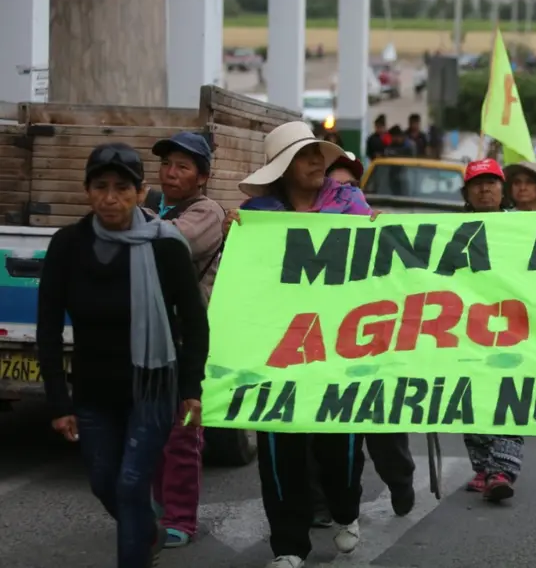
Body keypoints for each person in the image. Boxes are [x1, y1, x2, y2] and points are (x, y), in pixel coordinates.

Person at [37, 143, 209, 568]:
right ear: (87, 190)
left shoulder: (165, 246)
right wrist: (59, 401)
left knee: (132, 483)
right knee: (103, 483)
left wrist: (191, 389)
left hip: (152, 388)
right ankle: (145, 531)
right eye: (100, 187)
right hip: (94, 388)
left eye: (121, 188)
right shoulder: (68, 245)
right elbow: (48, 328)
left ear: (140, 192)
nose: (110, 198)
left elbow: (194, 321)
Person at [223, 122, 378, 568]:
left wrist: (378, 232)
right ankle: (288, 546)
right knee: (279, 452)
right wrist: (240, 235)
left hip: (339, 348)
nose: (316, 162)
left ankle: (346, 510)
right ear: (282, 168)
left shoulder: (350, 204)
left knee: (340, 447)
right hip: (279, 351)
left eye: (318, 154)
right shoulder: (258, 214)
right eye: (305, 155)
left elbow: (373, 268)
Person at [145, 132, 226, 549]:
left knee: (182, 434)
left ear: (202, 177)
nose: (171, 173)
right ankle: (160, 504)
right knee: (149, 427)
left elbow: (175, 242)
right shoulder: (155, 210)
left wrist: (133, 220)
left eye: (183, 166)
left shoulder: (206, 211)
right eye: (166, 164)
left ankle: (180, 516)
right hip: (148, 336)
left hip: (185, 338)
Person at [459, 159, 522, 501]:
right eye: (477, 184)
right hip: (466, 327)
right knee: (471, 394)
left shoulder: (528, 227)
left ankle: (502, 470)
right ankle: (483, 468)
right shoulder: (449, 229)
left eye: (491, 183)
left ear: (503, 189)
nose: (485, 189)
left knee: (510, 393)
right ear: (467, 193)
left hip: (515, 325)